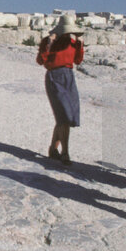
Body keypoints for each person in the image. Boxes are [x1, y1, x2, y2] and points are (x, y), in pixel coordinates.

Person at [36, 15, 85, 165]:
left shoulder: (72, 42)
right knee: (63, 115)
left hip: (69, 78)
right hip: (54, 77)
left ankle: (53, 149)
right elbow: (40, 61)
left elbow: (77, 61)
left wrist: (80, 45)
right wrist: (49, 44)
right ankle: (65, 153)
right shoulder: (48, 41)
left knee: (66, 116)